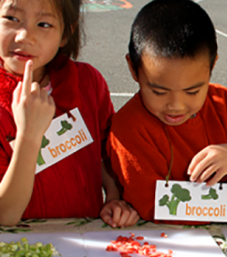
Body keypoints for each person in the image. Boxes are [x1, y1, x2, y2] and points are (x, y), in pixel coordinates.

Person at [107, 0, 227, 226]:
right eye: (158, 91)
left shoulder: (221, 103)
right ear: (133, 69)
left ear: (212, 67)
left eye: (192, 91)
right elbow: (150, 203)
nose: (176, 105)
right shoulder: (127, 128)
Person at [0, 0, 135, 226]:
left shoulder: (87, 82)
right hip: (21, 249)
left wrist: (114, 197)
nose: (24, 36)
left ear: (66, 33)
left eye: (44, 24)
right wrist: (28, 136)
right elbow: (5, 215)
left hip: (84, 242)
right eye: (12, 19)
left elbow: (105, 152)